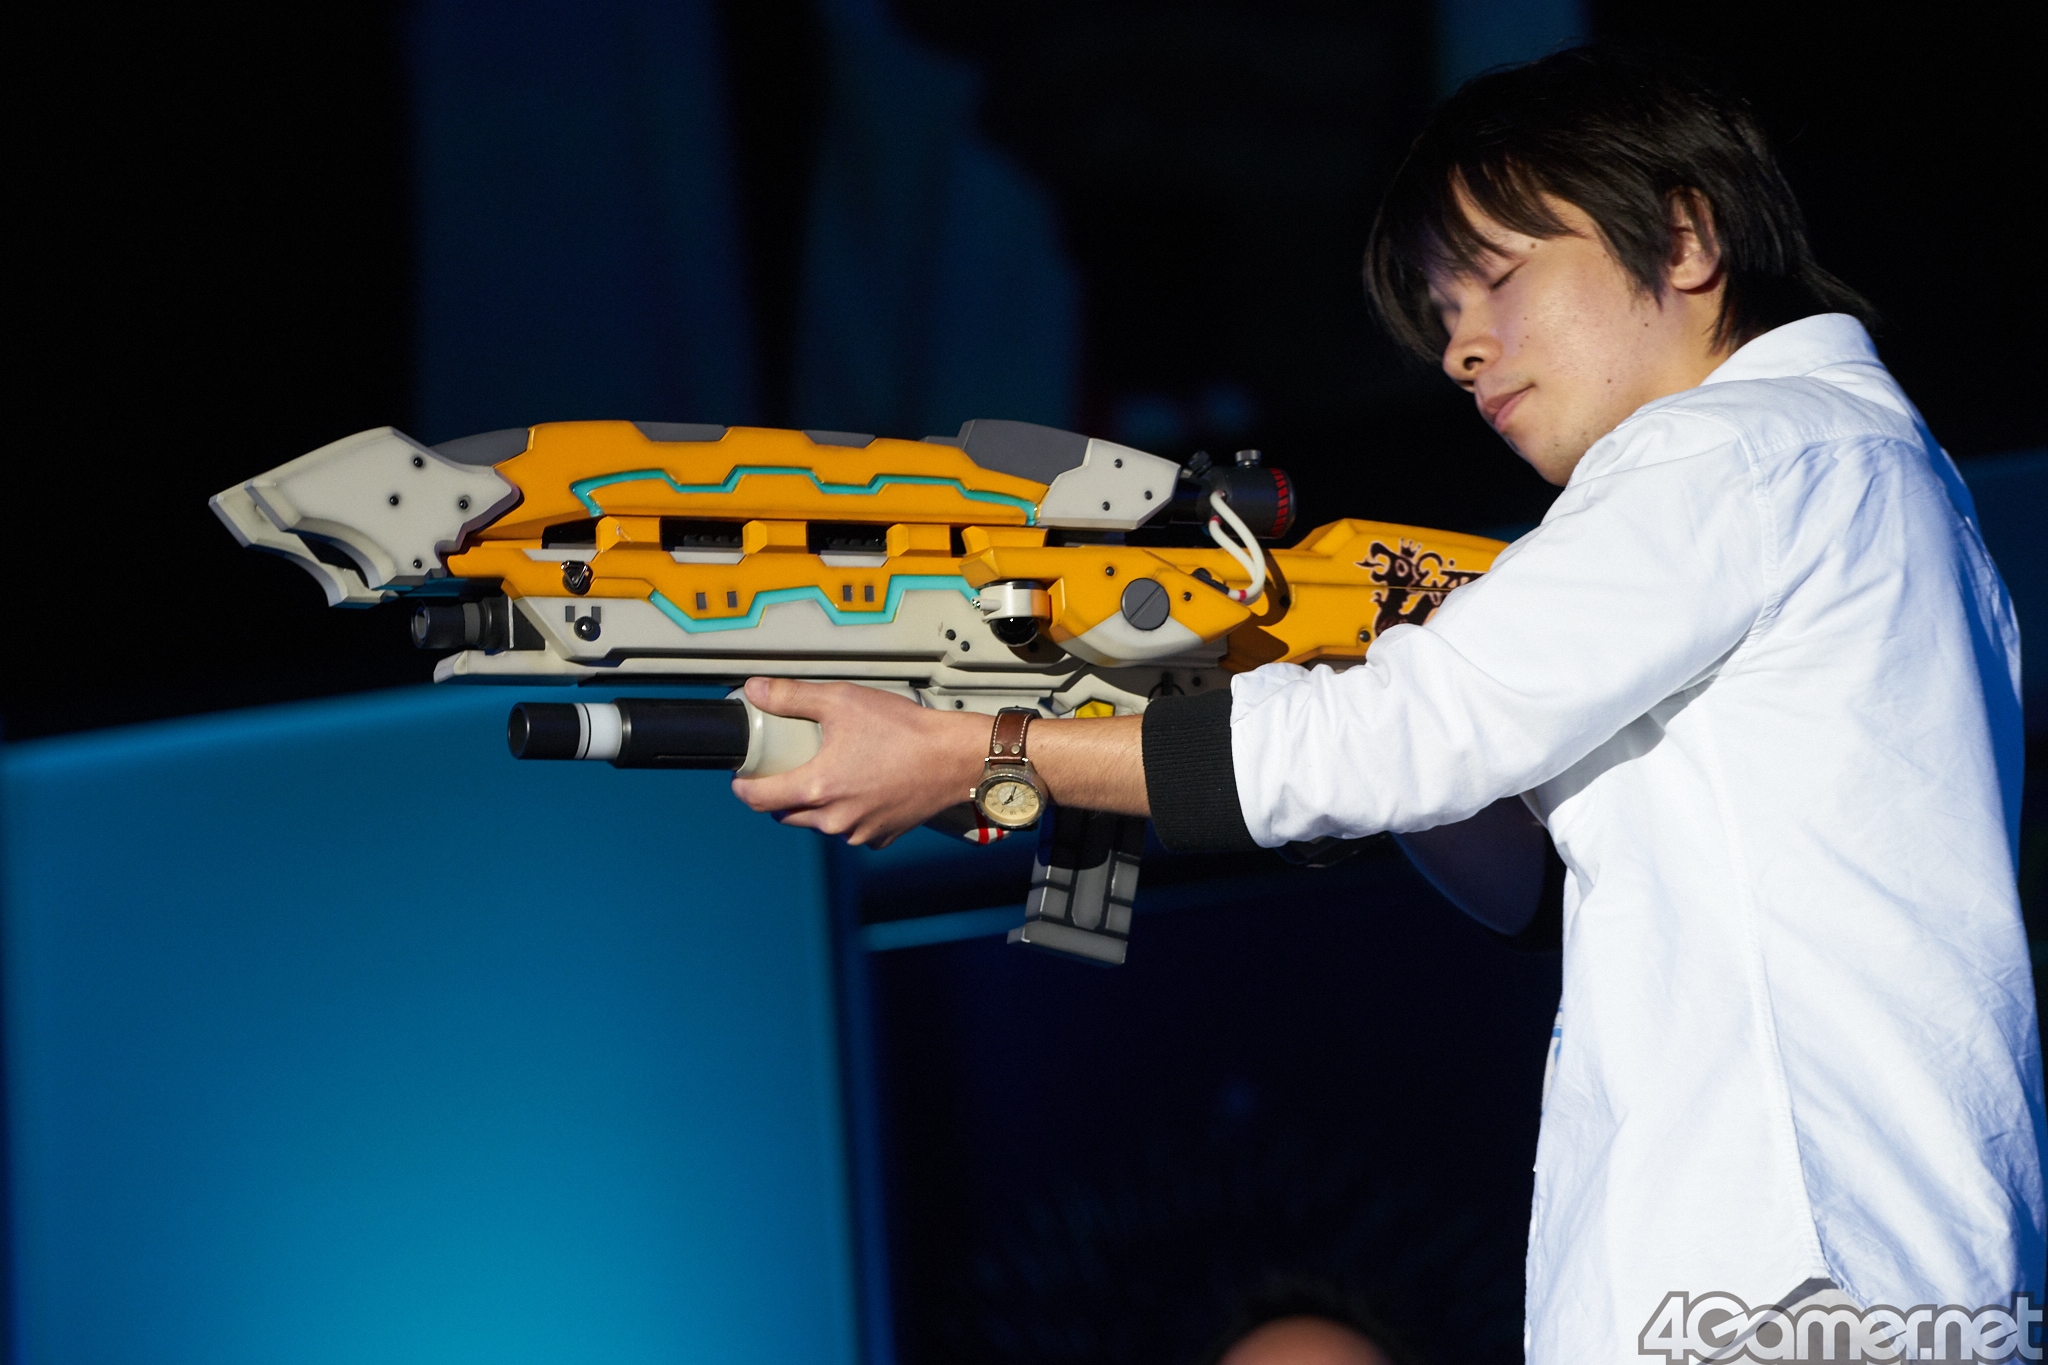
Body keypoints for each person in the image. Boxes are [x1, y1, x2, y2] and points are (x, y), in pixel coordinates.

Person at [733, 48, 2045, 1356]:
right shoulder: (1851, 470)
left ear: (1686, 238)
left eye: (1500, 277)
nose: (1463, 347)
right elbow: (1529, 881)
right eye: (1443, 310)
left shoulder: (1731, 450)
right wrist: (1322, 663)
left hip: (1787, 1280)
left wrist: (988, 751)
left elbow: (1412, 738)